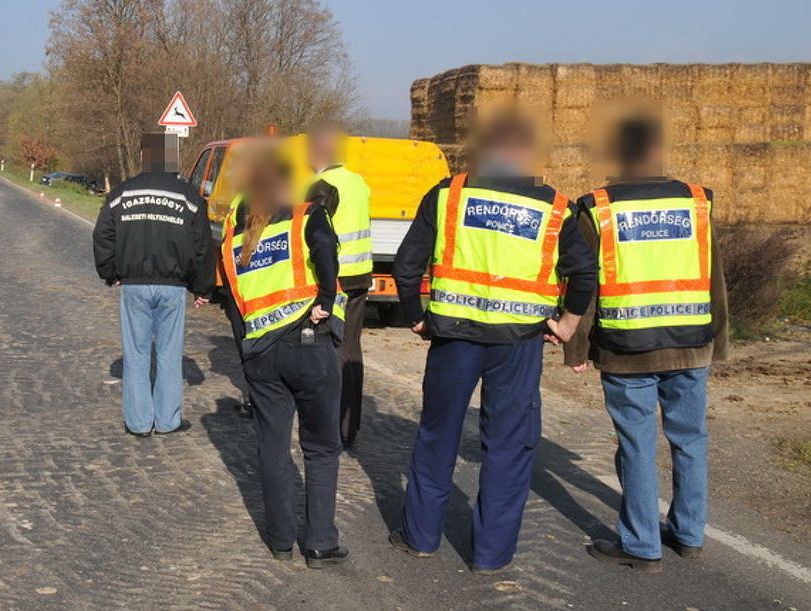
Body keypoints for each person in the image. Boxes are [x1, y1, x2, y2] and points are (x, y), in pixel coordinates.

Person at [390, 111, 598, 573]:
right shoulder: (554, 206)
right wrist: (565, 327)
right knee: (508, 445)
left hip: (453, 339)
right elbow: (584, 273)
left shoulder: (449, 194)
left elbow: (407, 265)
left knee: (437, 435)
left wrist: (416, 318)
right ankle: (491, 555)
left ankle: (420, 537)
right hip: (519, 343)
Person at [565, 113, 728, 574]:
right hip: (693, 345)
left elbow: (585, 282)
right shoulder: (697, 202)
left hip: (626, 349)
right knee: (691, 440)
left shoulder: (598, 207)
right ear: (658, 152)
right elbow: (715, 279)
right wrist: (721, 344)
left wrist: (577, 350)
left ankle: (642, 546)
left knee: (636, 446)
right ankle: (690, 535)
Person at [219, 141, 349, 568]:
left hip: (260, 353)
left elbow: (232, 302)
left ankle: (279, 539)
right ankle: (319, 543)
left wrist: (246, 351)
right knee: (321, 446)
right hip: (308, 344)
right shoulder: (305, 217)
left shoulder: (234, 241)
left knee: (272, 448)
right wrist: (327, 299)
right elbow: (327, 254)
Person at [93, 133, 215, 437]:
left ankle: (138, 422)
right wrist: (202, 287)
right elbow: (203, 245)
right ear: (172, 159)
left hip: (134, 284)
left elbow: (103, 236)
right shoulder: (188, 197)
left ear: (144, 157)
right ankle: (167, 421)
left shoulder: (122, 193)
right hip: (173, 286)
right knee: (170, 353)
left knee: (135, 353)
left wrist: (111, 272)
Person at [305, 127, 373, 449]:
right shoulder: (358, 182)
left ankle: (330, 425)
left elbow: (314, 234)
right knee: (352, 347)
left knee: (330, 351)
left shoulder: (322, 186)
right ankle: (350, 425)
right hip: (360, 276)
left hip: (337, 278)